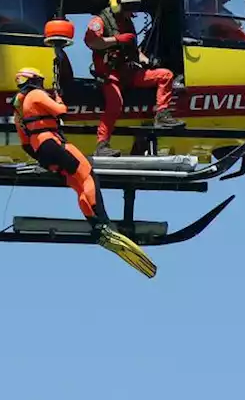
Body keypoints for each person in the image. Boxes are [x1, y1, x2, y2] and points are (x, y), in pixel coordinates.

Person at [12, 67, 156, 278]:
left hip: (41, 150)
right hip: (53, 142)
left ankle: (97, 228)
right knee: (88, 176)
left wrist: (43, 159)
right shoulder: (36, 95)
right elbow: (61, 111)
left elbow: (25, 144)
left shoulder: (18, 110)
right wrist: (59, 98)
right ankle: (104, 224)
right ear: (34, 81)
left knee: (76, 184)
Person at [84, 0, 185, 157]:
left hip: (129, 72)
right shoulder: (99, 21)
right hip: (110, 76)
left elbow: (132, 47)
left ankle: (163, 116)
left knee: (165, 75)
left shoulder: (127, 23)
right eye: (129, 7)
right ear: (118, 4)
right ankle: (102, 145)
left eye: (134, 8)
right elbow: (93, 42)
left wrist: (147, 61)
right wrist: (116, 40)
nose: (132, 12)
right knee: (115, 105)